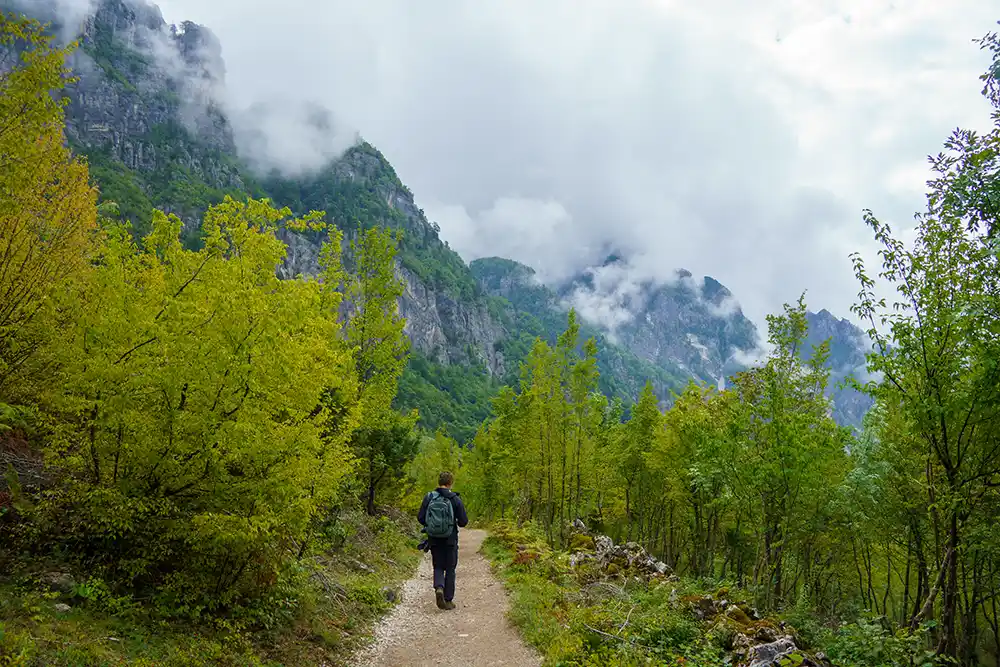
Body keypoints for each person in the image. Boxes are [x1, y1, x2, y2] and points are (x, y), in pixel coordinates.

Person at [417, 471, 468, 610]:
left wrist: (432, 525)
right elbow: (464, 521)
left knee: (438, 565)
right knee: (450, 568)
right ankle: (448, 600)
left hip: (434, 538)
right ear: (451, 482)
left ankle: (439, 587)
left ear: (439, 482)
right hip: (450, 539)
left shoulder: (429, 497)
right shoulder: (455, 499)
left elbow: (421, 518)